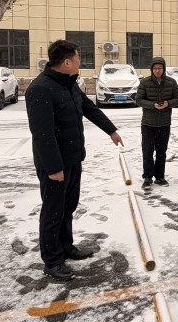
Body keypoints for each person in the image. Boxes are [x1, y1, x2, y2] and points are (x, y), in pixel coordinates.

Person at [26, 40, 123, 281]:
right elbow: (42, 134)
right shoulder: (40, 89)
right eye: (78, 58)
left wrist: (111, 130)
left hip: (73, 158)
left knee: (68, 207)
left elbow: (89, 108)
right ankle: (52, 261)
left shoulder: (68, 83)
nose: (81, 62)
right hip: (54, 165)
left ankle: (65, 246)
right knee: (53, 212)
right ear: (67, 62)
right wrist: (54, 168)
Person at [135, 56, 178, 190]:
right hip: (148, 124)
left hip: (164, 123)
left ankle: (160, 177)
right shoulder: (145, 82)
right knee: (147, 152)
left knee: (161, 152)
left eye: (160, 68)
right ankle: (147, 177)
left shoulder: (171, 82)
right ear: (151, 69)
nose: (157, 70)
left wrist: (168, 103)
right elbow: (138, 99)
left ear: (164, 69)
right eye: (155, 68)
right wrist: (152, 105)